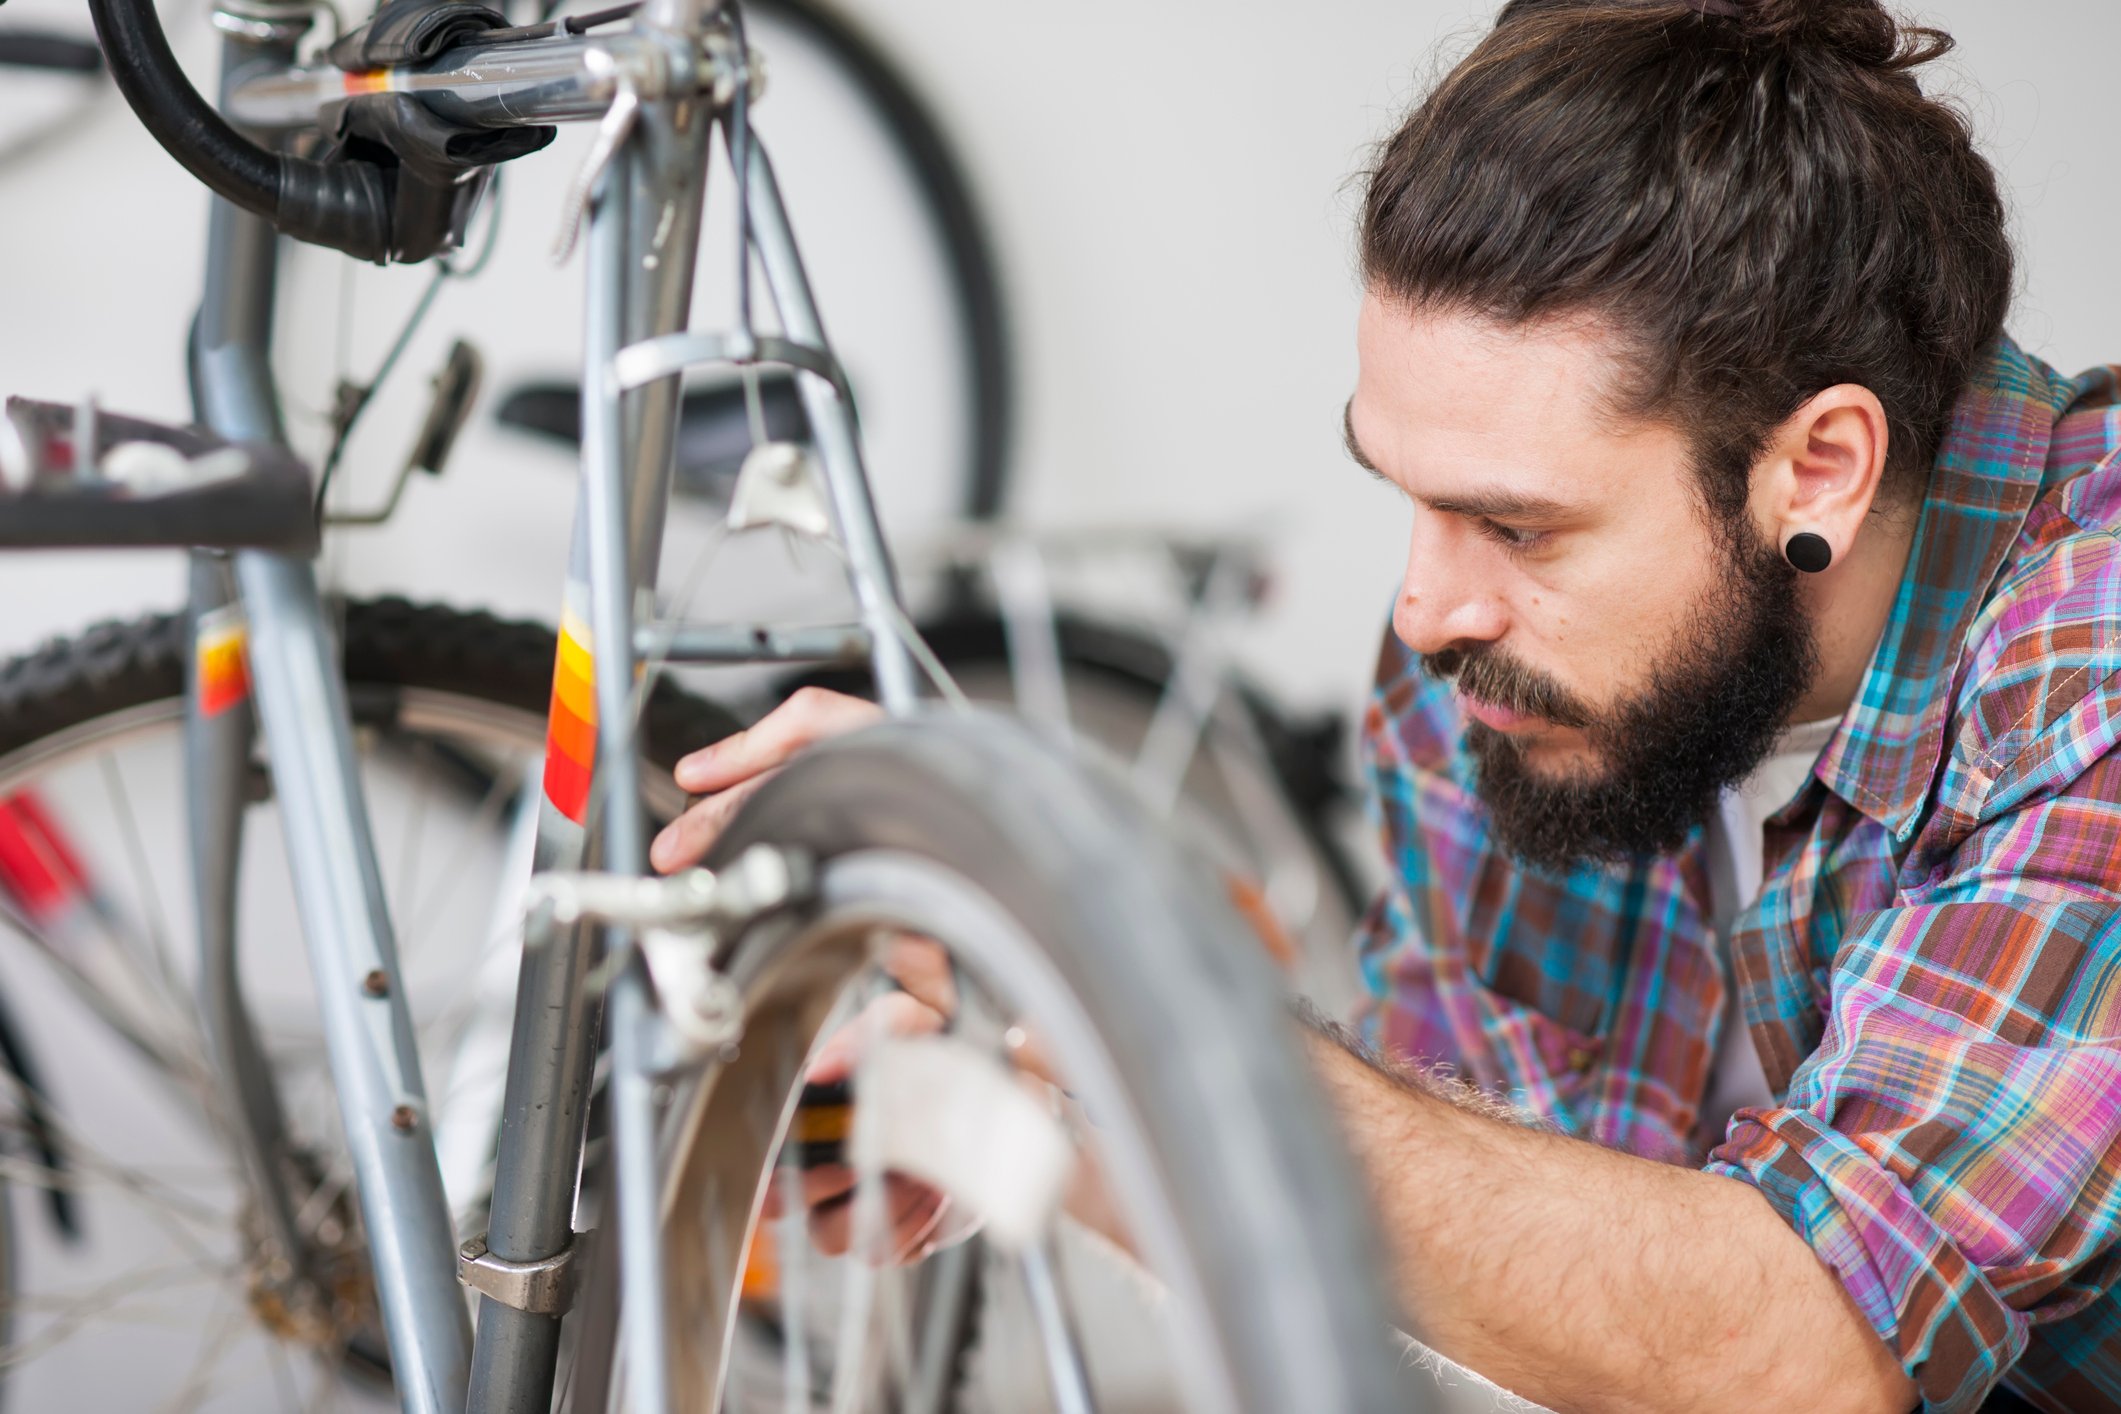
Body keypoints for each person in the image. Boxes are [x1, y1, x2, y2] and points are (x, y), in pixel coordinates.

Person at [649, 1, 2121, 1409]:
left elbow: (1793, 1350)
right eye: (1406, 496)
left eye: (1519, 525)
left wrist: (1112, 969)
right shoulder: (1496, 683)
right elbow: (1527, 1276)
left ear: (1815, 470)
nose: (1425, 611)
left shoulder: (2090, 660)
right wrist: (1057, 1098)